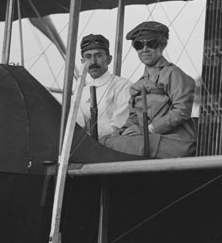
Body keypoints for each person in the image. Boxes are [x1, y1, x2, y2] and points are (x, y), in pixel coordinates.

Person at [104, 21, 197, 158]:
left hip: (174, 141)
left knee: (109, 146)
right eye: (139, 45)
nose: (145, 49)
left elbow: (181, 111)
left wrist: (147, 130)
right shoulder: (138, 84)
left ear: (162, 45)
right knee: (106, 141)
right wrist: (123, 130)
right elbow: (134, 118)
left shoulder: (173, 74)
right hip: (149, 139)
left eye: (151, 44)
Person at [75, 34, 132, 141]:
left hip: (115, 147)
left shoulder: (123, 86)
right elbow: (78, 124)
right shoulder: (82, 92)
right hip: (86, 148)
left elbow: (117, 126)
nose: (93, 62)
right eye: (88, 57)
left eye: (98, 56)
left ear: (109, 59)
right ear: (82, 62)